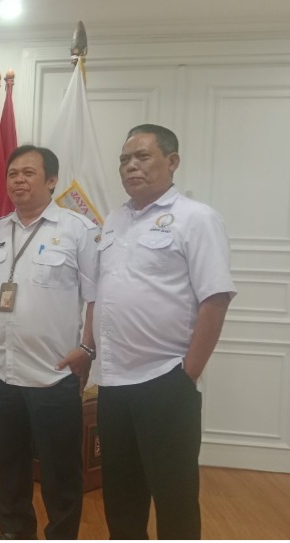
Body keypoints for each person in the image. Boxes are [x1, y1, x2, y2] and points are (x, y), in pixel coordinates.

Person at [95, 124, 235, 539]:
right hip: (113, 383)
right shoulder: (114, 219)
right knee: (121, 496)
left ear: (172, 162)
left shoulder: (196, 218)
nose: (131, 166)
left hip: (165, 380)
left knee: (174, 497)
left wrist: (187, 373)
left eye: (142, 156)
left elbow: (215, 298)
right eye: (124, 159)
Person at [0, 145, 99, 540]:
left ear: (51, 180)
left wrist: (87, 349)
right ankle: (14, 533)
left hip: (53, 371)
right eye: (13, 173)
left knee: (60, 470)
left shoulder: (77, 230)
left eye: (28, 173)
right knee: (8, 464)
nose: (18, 180)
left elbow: (96, 297)